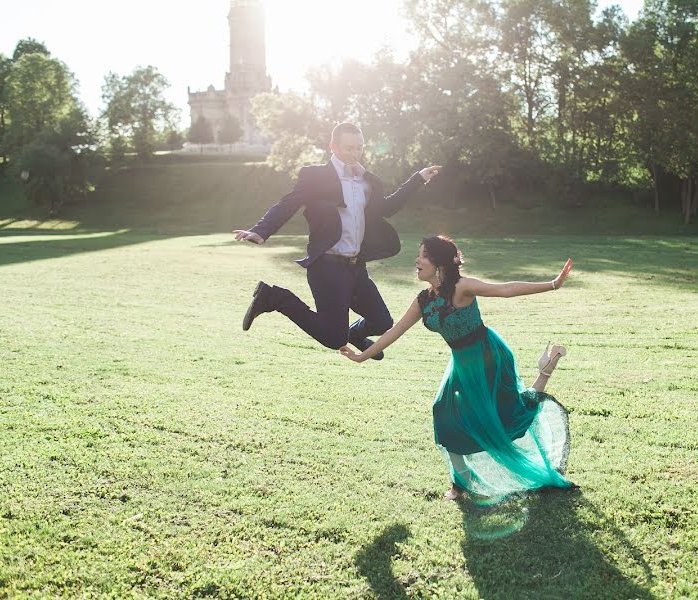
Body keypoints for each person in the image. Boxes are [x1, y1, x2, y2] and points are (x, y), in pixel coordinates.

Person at [340, 235, 576, 500]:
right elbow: (395, 332)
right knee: (444, 414)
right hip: (461, 363)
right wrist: (363, 356)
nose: (416, 260)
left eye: (423, 256)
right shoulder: (423, 300)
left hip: (487, 357)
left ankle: (544, 370)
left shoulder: (461, 287)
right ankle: (461, 483)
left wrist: (554, 284)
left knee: (506, 417)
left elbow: (505, 289)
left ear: (438, 263)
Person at [233, 122, 441, 359]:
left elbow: (387, 207)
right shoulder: (315, 176)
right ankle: (274, 297)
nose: (354, 153)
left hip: (356, 267)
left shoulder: (369, 181)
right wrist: (261, 230)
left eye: (359, 148)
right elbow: (289, 203)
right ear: (333, 146)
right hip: (327, 267)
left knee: (381, 321)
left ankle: (353, 334)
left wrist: (418, 178)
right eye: (349, 148)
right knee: (333, 338)